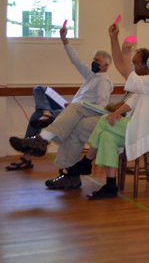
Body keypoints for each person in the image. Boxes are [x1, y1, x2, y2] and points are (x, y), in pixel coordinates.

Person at [82, 23, 149, 199]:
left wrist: (126, 54)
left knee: (104, 122)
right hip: (142, 126)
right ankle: (111, 185)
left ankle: (86, 161)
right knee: (107, 136)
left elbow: (134, 82)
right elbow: (135, 96)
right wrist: (117, 112)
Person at [37, 48, 149, 190]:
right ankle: (69, 172)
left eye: (134, 63)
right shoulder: (137, 82)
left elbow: (121, 106)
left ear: (146, 64)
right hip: (116, 121)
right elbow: (126, 103)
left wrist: (113, 109)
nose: (132, 66)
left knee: (74, 119)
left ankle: (72, 168)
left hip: (128, 126)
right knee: (73, 121)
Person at [7, 27, 114, 171]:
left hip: (75, 111)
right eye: (94, 59)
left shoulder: (104, 82)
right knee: (39, 89)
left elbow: (101, 107)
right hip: (68, 107)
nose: (93, 62)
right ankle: (46, 113)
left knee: (35, 116)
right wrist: (64, 39)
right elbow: (76, 60)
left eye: (97, 61)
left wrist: (78, 106)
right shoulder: (92, 76)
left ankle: (27, 155)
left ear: (106, 65)